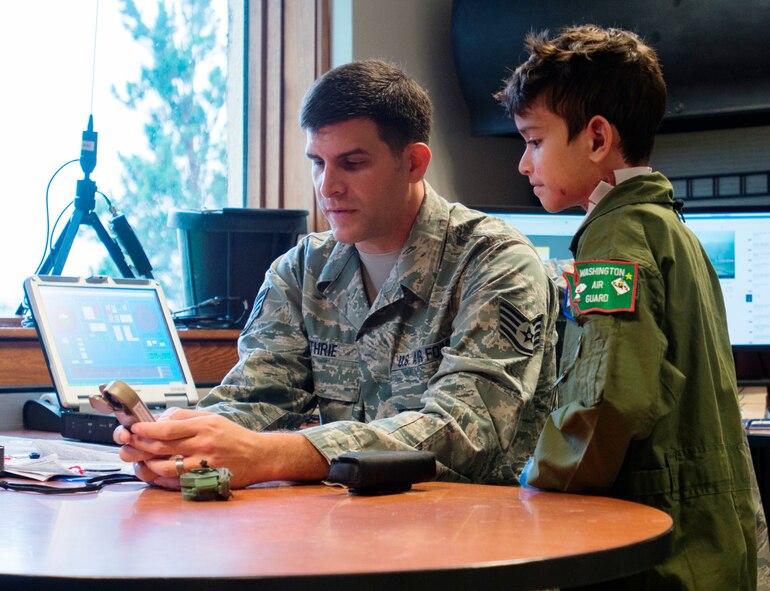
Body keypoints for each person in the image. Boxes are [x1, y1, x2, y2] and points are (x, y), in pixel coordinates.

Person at [115, 59, 559, 490]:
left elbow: (466, 431)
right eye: (318, 162)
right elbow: (257, 398)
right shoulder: (302, 270)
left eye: (352, 163)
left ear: (414, 163)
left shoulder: (496, 262)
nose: (327, 187)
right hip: (342, 531)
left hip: (481, 537)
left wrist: (269, 455)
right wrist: (178, 441)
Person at [496, 24, 766, 590]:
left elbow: (607, 400)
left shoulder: (613, 238)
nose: (524, 164)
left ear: (597, 139)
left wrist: (531, 486)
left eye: (534, 141)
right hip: (713, 538)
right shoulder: (669, 227)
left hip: (662, 553)